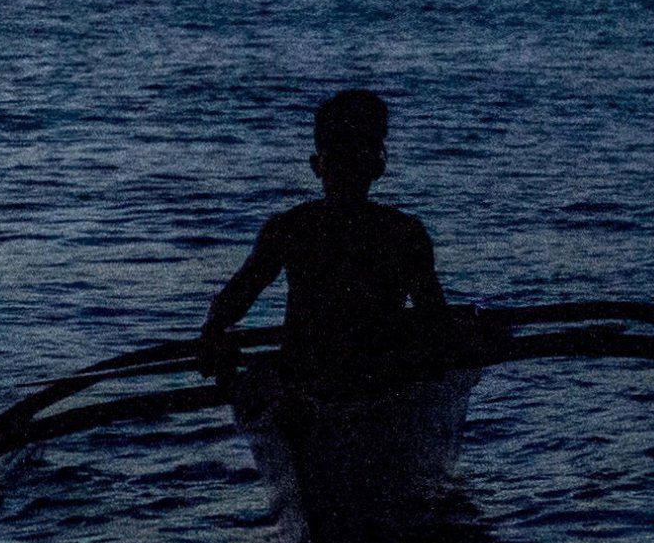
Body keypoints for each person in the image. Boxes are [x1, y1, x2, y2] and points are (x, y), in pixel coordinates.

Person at [195, 88, 469, 397]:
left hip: (303, 381)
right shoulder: (405, 233)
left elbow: (232, 303)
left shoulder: (288, 228)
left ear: (317, 165)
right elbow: (435, 323)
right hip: (379, 381)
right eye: (344, 157)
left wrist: (213, 332)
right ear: (378, 167)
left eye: (355, 156)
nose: (348, 168)